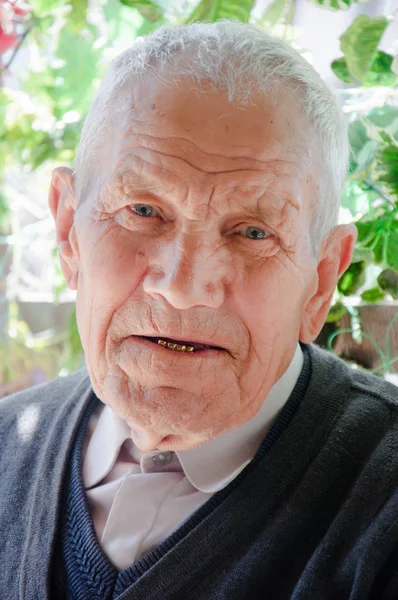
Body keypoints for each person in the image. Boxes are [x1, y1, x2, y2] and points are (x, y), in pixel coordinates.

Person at [1, 20, 398, 600]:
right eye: (143, 210)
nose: (185, 287)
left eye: (254, 232)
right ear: (69, 233)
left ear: (320, 281)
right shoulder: (8, 445)